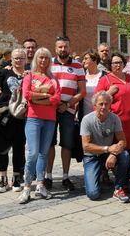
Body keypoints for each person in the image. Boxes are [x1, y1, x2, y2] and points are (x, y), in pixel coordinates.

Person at [18, 47, 61, 204]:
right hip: (33, 118)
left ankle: (40, 184)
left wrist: (39, 99)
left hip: (49, 119)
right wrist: (45, 95)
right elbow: (27, 95)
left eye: (46, 58)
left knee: (44, 153)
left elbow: (57, 99)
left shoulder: (53, 79)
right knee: (33, 153)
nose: (43, 60)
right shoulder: (30, 76)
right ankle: (27, 187)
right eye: (41, 57)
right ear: (36, 59)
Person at [96, 52, 130, 176]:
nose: (118, 65)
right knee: (121, 152)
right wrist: (109, 92)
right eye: (115, 63)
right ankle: (122, 180)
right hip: (117, 125)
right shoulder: (105, 80)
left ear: (124, 64)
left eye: (120, 62)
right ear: (110, 65)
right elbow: (97, 101)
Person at [45, 36, 86, 192]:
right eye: (60, 47)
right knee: (49, 143)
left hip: (68, 110)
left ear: (70, 48)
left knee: (67, 144)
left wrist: (67, 104)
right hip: (49, 109)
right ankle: (48, 176)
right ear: (55, 49)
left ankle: (65, 176)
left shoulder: (78, 66)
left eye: (66, 47)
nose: (63, 49)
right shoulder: (48, 64)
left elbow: (82, 92)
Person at [80, 91, 130, 203]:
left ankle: (118, 188)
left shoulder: (114, 118)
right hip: (92, 157)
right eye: (101, 104)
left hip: (108, 154)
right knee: (93, 194)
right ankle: (99, 175)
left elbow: (123, 141)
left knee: (125, 155)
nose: (104, 107)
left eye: (107, 104)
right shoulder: (87, 120)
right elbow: (86, 146)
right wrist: (107, 149)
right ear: (95, 105)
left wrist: (113, 154)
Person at [0, 48, 29, 193]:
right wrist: (5, 101)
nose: (18, 61)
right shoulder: (4, 72)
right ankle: (3, 178)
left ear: (26, 60)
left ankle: (16, 178)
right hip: (5, 115)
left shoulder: (29, 75)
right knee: (2, 147)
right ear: (11, 60)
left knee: (19, 147)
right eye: (16, 58)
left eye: (21, 58)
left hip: (21, 117)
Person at [81, 49, 106, 119]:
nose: (83, 61)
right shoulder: (81, 76)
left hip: (101, 115)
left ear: (94, 60)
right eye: (83, 59)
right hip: (85, 116)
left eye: (86, 59)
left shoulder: (104, 76)